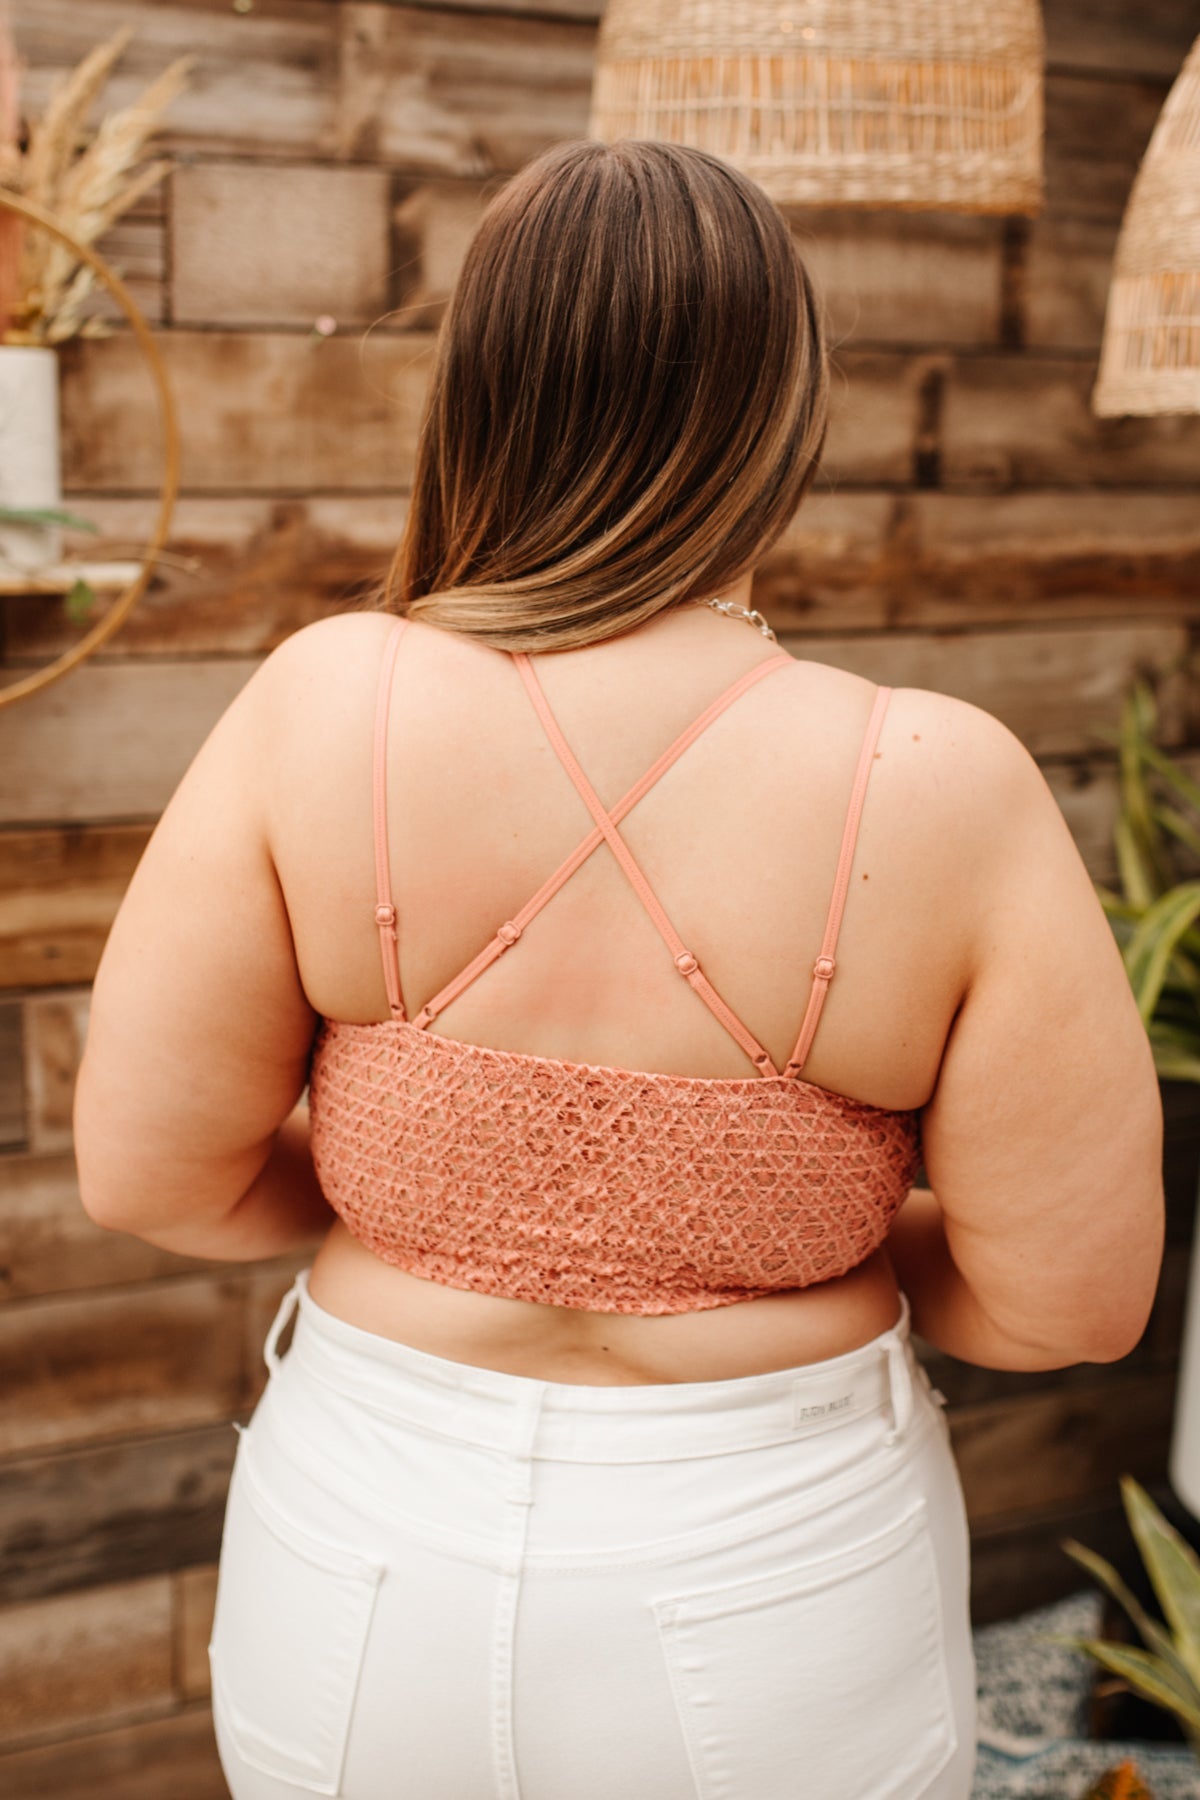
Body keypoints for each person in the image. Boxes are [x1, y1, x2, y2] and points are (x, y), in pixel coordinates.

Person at [73, 138, 1164, 1800]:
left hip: (367, 1554)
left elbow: (152, 1173)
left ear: (477, 389)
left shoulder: (323, 700)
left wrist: (459, 1186)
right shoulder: (940, 784)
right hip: (774, 1571)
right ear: (784, 417)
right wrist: (760, 1215)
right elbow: (1068, 1302)